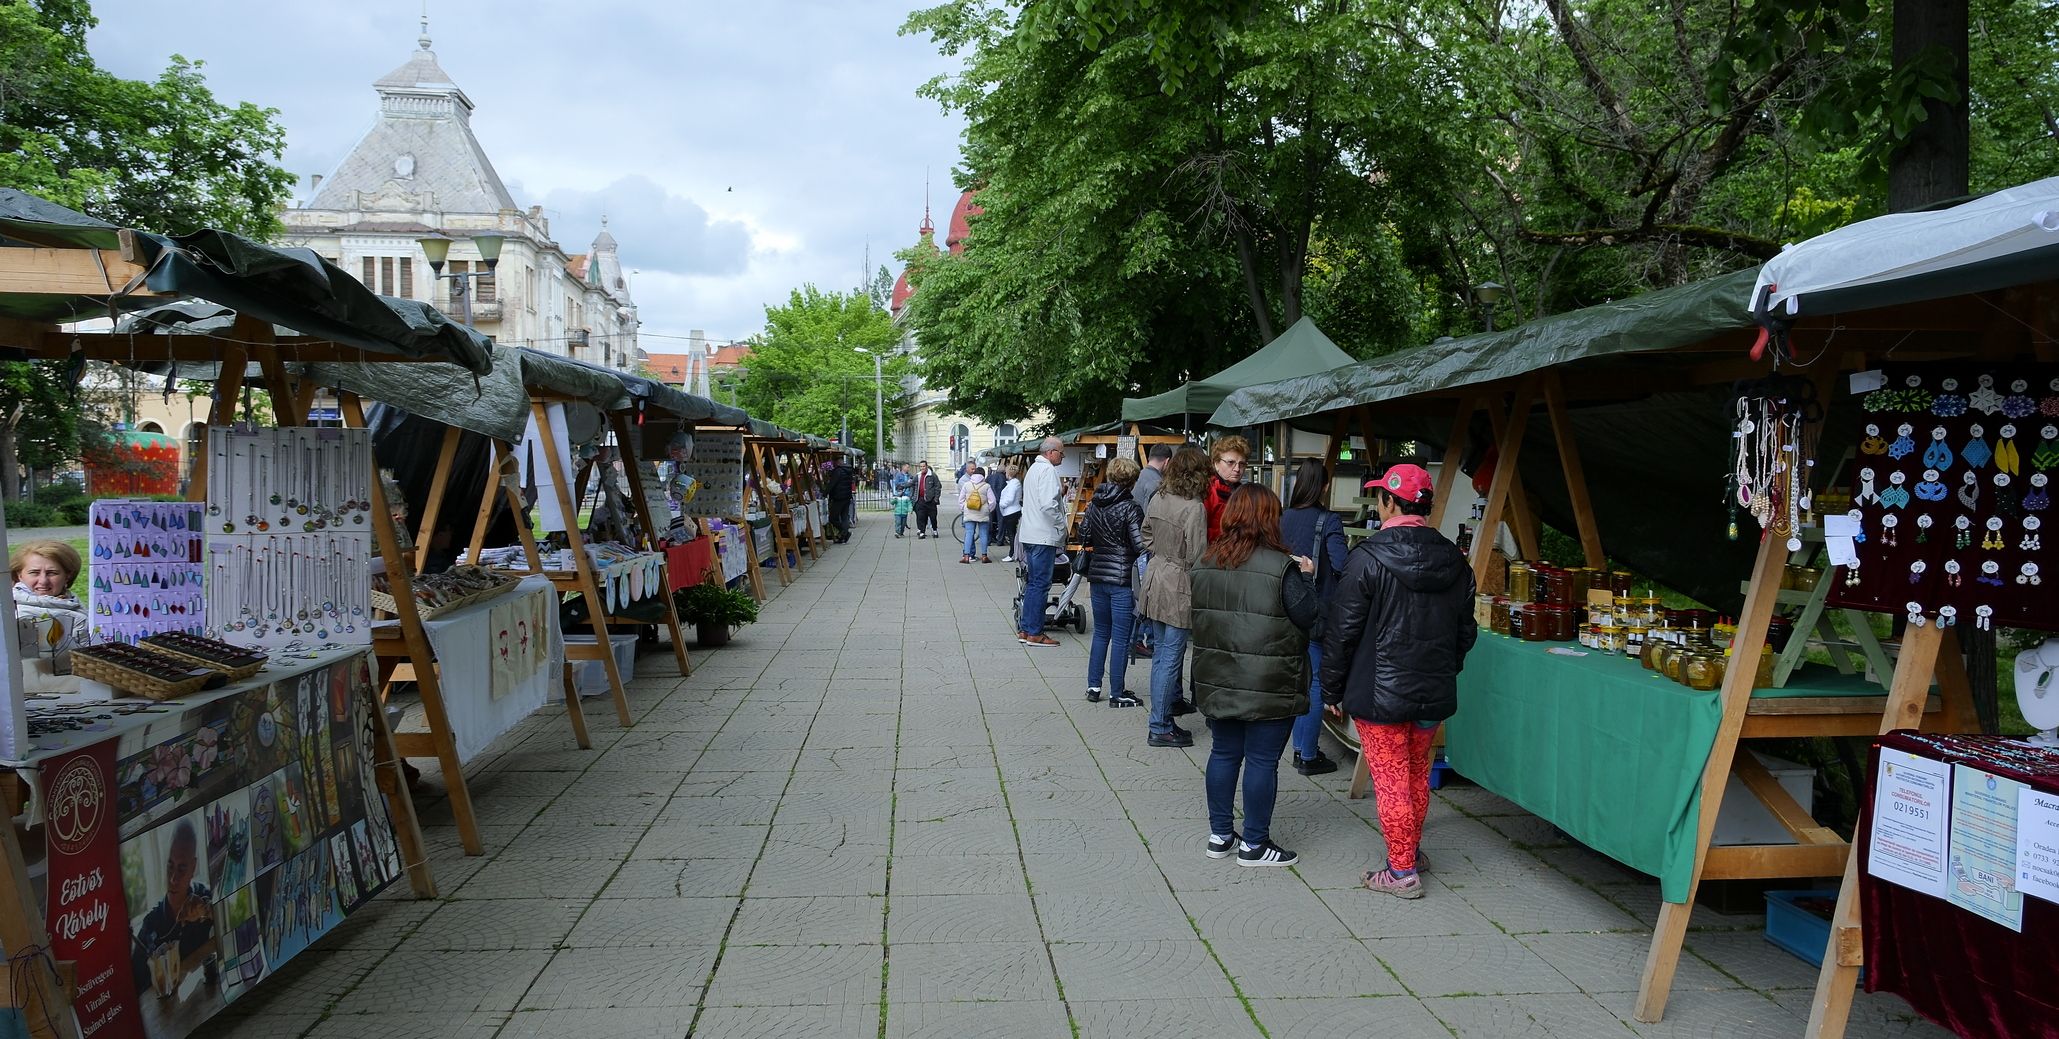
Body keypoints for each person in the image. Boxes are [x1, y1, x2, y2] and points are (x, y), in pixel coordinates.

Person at [1322, 463, 1477, 899]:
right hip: (1432, 690)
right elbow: (1467, 632)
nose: (1377, 503)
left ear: (1390, 502)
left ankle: (1402, 869)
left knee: (1391, 779)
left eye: (1380, 496)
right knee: (1414, 774)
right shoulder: (1455, 561)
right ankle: (1410, 848)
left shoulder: (1366, 559)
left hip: (1380, 693)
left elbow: (1342, 631)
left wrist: (1330, 689)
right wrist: (1446, 668)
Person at [1191, 484, 1318, 867]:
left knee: (1224, 753)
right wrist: (1309, 577)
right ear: (1270, 519)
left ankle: (1220, 835)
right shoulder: (1284, 568)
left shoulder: (1205, 561)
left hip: (1217, 675)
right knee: (1262, 760)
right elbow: (1309, 615)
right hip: (1269, 680)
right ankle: (1255, 845)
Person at [1135, 446, 1210, 745]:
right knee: (1170, 657)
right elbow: (1198, 554)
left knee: (1160, 656)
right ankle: (1160, 724)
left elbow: (1146, 533)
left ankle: (1161, 719)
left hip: (1155, 577)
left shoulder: (1159, 497)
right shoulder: (1194, 508)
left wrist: (1161, 553)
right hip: (1178, 581)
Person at [1279, 459, 1350, 776]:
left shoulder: (1284, 517)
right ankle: (1307, 755)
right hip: (1319, 608)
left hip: (1289, 606)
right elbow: (1341, 564)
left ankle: (1298, 748)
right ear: (1323, 486)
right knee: (1316, 681)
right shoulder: (1329, 519)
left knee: (1299, 680)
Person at [1082, 458, 1146, 707]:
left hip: (1098, 575)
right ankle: (1117, 692)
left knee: (1101, 633)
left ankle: (1093, 685)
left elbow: (1084, 534)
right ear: (1131, 481)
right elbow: (1140, 545)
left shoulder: (1095, 504)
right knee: (1121, 637)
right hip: (1121, 579)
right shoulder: (1131, 508)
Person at [1015, 437, 1068, 647]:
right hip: (1043, 535)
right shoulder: (1047, 471)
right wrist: (1061, 525)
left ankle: (1026, 629)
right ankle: (1035, 632)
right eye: (1061, 453)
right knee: (1041, 584)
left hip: (1030, 533)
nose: (1062, 457)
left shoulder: (1034, 470)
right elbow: (1048, 505)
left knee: (1033, 584)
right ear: (1051, 452)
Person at [11, 540, 85, 673]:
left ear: (67, 576)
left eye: (52, 573)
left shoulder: (74, 604)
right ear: (19, 575)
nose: (43, 581)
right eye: (34, 572)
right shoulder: (12, 611)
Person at [1130, 444, 1174, 658]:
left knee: (1138, 592)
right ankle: (1144, 640)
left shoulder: (1138, 477)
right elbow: (1153, 520)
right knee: (1147, 594)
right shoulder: (1157, 483)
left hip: (1133, 542)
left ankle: (1136, 639)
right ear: (1167, 461)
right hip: (1147, 546)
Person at [1204, 434, 1250, 542]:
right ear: (1216, 463)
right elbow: (1200, 531)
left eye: (1242, 464)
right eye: (1230, 463)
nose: (1237, 469)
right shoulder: (1207, 491)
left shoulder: (1244, 492)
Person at [958, 464, 995, 563]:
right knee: (983, 534)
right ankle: (984, 556)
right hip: (982, 513)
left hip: (969, 512)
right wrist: (988, 509)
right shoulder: (986, 486)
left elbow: (960, 499)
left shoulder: (967, 485)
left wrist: (964, 509)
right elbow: (993, 501)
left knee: (969, 533)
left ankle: (966, 556)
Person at [824, 459, 855, 543]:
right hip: (847, 497)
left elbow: (832, 484)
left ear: (837, 463)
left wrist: (825, 493)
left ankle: (844, 532)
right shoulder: (848, 470)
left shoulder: (838, 471)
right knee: (844, 517)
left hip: (838, 497)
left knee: (832, 518)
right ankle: (844, 536)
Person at [998, 463, 1023, 563]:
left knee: (1012, 534)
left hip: (1011, 512)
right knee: (1012, 534)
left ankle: (1012, 554)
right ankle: (1014, 553)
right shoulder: (1014, 483)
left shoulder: (1014, 484)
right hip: (1012, 511)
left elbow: (1010, 498)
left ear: (1009, 474)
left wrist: (1002, 504)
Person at [912, 461, 942, 539]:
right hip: (920, 500)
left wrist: (936, 499)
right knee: (921, 517)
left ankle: (935, 530)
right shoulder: (918, 475)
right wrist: (903, 486)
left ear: (927, 466)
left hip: (930, 501)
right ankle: (922, 532)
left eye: (923, 466)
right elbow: (912, 483)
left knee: (933, 517)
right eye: (921, 466)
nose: (922, 468)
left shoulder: (932, 475)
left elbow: (938, 487)